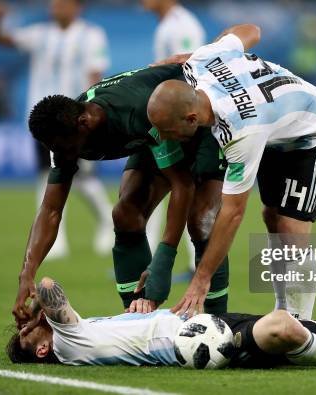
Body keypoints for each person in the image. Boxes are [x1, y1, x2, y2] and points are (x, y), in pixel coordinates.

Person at [147, 24, 316, 319]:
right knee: (271, 216)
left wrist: (201, 280)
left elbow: (233, 212)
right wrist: (201, 52)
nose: (163, 137)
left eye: (167, 130)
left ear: (191, 118)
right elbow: (251, 30)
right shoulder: (201, 61)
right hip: (275, 130)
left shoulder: (241, 132)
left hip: (315, 131)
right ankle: (283, 312)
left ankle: (303, 325)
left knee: (291, 228)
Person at [11, 65, 229, 330]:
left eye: (66, 148)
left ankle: (220, 322)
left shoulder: (135, 112)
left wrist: (164, 259)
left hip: (193, 117)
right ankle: (136, 318)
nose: (63, 156)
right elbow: (51, 209)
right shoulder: (64, 136)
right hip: (154, 135)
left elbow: (182, 185)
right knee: (125, 214)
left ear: (85, 123)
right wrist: (28, 272)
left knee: (201, 220)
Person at [6, 277, 316, 369]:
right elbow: (50, 286)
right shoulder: (66, 340)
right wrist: (32, 300)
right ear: (43, 348)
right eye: (30, 333)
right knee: (284, 325)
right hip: (197, 345)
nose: (32, 325)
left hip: (194, 324)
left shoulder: (78, 335)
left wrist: (142, 312)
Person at [0, 0, 114, 258]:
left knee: (83, 179)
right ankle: (55, 240)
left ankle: (108, 221)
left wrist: (89, 114)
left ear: (76, 6)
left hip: (75, 120)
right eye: (53, 3)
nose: (55, 7)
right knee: (47, 175)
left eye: (61, 3)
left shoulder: (91, 35)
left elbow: (95, 75)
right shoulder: (40, 34)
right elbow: (2, 40)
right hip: (45, 121)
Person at [141, 0, 206, 279]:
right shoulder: (169, 23)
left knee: (185, 186)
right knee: (162, 185)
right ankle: (153, 257)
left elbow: (190, 69)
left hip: (181, 118)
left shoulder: (182, 25)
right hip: (171, 116)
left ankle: (196, 264)